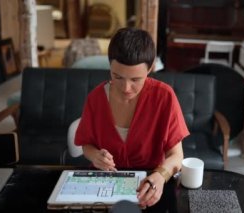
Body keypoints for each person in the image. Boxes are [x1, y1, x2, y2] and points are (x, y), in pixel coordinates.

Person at [74, 27, 189, 208]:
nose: (126, 88)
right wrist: (95, 156)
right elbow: (86, 145)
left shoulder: (164, 97)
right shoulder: (96, 98)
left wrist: (160, 175)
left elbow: (176, 155)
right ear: (110, 66)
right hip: (104, 187)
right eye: (117, 77)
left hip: (150, 185)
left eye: (135, 79)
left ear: (150, 68)